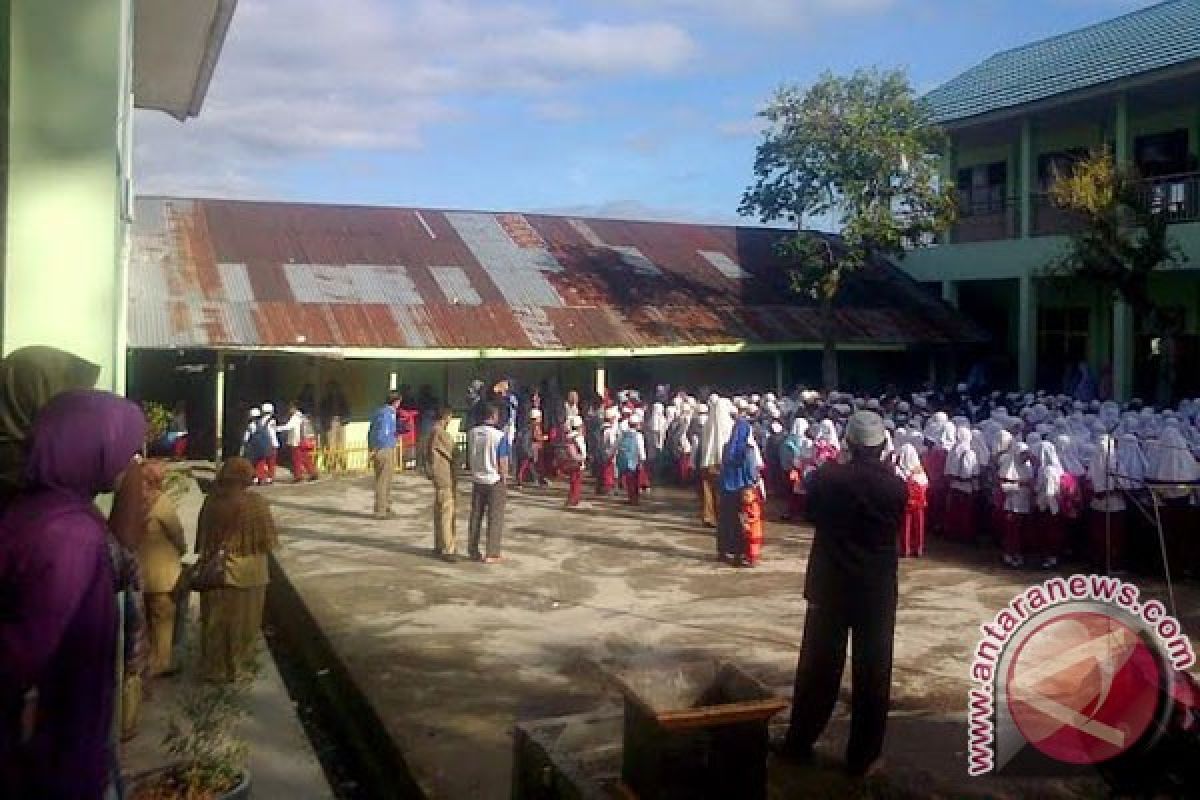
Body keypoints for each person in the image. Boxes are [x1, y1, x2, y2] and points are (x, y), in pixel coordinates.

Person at [0, 389, 145, 799]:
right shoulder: (69, 536)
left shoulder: (45, 511)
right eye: (126, 449)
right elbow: (26, 654)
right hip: (56, 758)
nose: (130, 459)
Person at [781, 411, 907, 777]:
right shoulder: (894, 487)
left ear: (848, 443)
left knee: (818, 668)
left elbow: (812, 514)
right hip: (876, 591)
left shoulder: (825, 479)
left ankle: (800, 742)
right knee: (873, 673)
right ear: (883, 445)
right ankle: (862, 757)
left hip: (830, 585)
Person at [195, 457, 278, 683]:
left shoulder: (211, 503)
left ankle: (214, 669)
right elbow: (268, 540)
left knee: (215, 622)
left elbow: (201, 539)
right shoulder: (256, 503)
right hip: (250, 573)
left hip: (218, 570)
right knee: (245, 625)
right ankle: (238, 669)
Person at [0, 345, 101, 510]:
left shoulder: (35, 457)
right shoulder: (25, 470)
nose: (81, 414)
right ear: (33, 393)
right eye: (68, 400)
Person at [136, 459, 187, 676]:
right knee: (163, 620)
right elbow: (176, 533)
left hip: (139, 571)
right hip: (163, 573)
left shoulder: (132, 501)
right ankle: (161, 663)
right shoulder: (161, 502)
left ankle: (146, 660)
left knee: (145, 619)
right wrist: (181, 549)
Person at [718, 416, 764, 567]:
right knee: (742, 523)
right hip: (742, 492)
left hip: (726, 489)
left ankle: (723, 552)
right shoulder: (748, 451)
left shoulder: (726, 447)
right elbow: (751, 473)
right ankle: (739, 554)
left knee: (725, 522)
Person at [467, 404, 510, 563]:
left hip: (477, 478)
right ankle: (492, 552)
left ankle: (472, 549)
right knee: (495, 517)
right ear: (493, 416)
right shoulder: (499, 436)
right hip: (494, 479)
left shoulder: (472, 433)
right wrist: (504, 477)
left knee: (476, 516)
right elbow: (503, 460)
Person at [425, 407, 458, 562]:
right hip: (444, 476)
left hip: (437, 476)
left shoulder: (430, 432)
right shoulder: (441, 434)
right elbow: (454, 452)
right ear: (446, 417)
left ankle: (439, 544)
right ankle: (447, 547)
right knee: (446, 513)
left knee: (439, 511)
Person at [698, 397, 734, 527]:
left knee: (708, 491)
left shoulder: (707, 423)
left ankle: (709, 517)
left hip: (707, 461)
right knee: (722, 491)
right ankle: (722, 517)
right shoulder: (729, 424)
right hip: (723, 462)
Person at [368, 393, 401, 519]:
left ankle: (385, 506)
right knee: (384, 480)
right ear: (396, 402)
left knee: (383, 479)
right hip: (385, 448)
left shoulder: (378, 412)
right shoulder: (389, 414)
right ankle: (381, 510)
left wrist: (372, 448)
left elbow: (371, 431)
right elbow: (384, 431)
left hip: (378, 448)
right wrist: (385, 444)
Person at [895, 443, 928, 558]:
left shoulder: (898, 470)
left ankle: (906, 549)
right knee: (919, 525)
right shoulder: (920, 470)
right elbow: (925, 484)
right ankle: (918, 548)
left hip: (906, 502)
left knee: (905, 526)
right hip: (919, 502)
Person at [276, 402, 319, 482]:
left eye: (290, 409)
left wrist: (277, 428)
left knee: (297, 460)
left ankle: (298, 476)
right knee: (306, 459)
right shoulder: (303, 417)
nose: (289, 411)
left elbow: (288, 426)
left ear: (294, 408)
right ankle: (313, 473)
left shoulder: (295, 418)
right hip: (306, 441)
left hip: (297, 442)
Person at [319, 380, 350, 473]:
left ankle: (342, 464)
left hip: (340, 421)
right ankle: (331, 465)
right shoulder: (326, 399)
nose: (333, 390)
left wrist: (344, 420)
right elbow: (322, 411)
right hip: (331, 422)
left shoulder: (342, 398)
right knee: (331, 445)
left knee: (341, 444)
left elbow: (347, 410)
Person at [617, 414, 647, 505]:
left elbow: (616, 445)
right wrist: (642, 460)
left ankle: (631, 497)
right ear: (637, 424)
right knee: (635, 481)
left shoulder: (623, 434)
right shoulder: (638, 435)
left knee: (629, 481)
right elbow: (641, 449)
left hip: (624, 461)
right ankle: (634, 499)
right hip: (634, 461)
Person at [563, 415, 587, 508]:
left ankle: (571, 499)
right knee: (577, 482)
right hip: (578, 463)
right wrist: (584, 458)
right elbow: (582, 451)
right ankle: (574, 500)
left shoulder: (568, 437)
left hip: (570, 462)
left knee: (572, 481)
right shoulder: (578, 438)